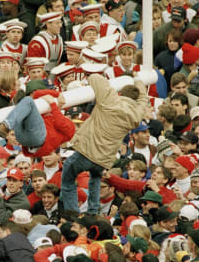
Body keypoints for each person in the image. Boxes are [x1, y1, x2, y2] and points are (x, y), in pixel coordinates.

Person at [61, 75, 149, 214]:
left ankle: (72, 214)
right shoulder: (136, 114)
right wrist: (139, 79)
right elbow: (143, 99)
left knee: (68, 180)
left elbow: (96, 77)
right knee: (95, 179)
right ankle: (92, 212)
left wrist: (121, 82)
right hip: (104, 160)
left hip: (86, 152)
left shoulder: (110, 99)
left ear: (120, 93)